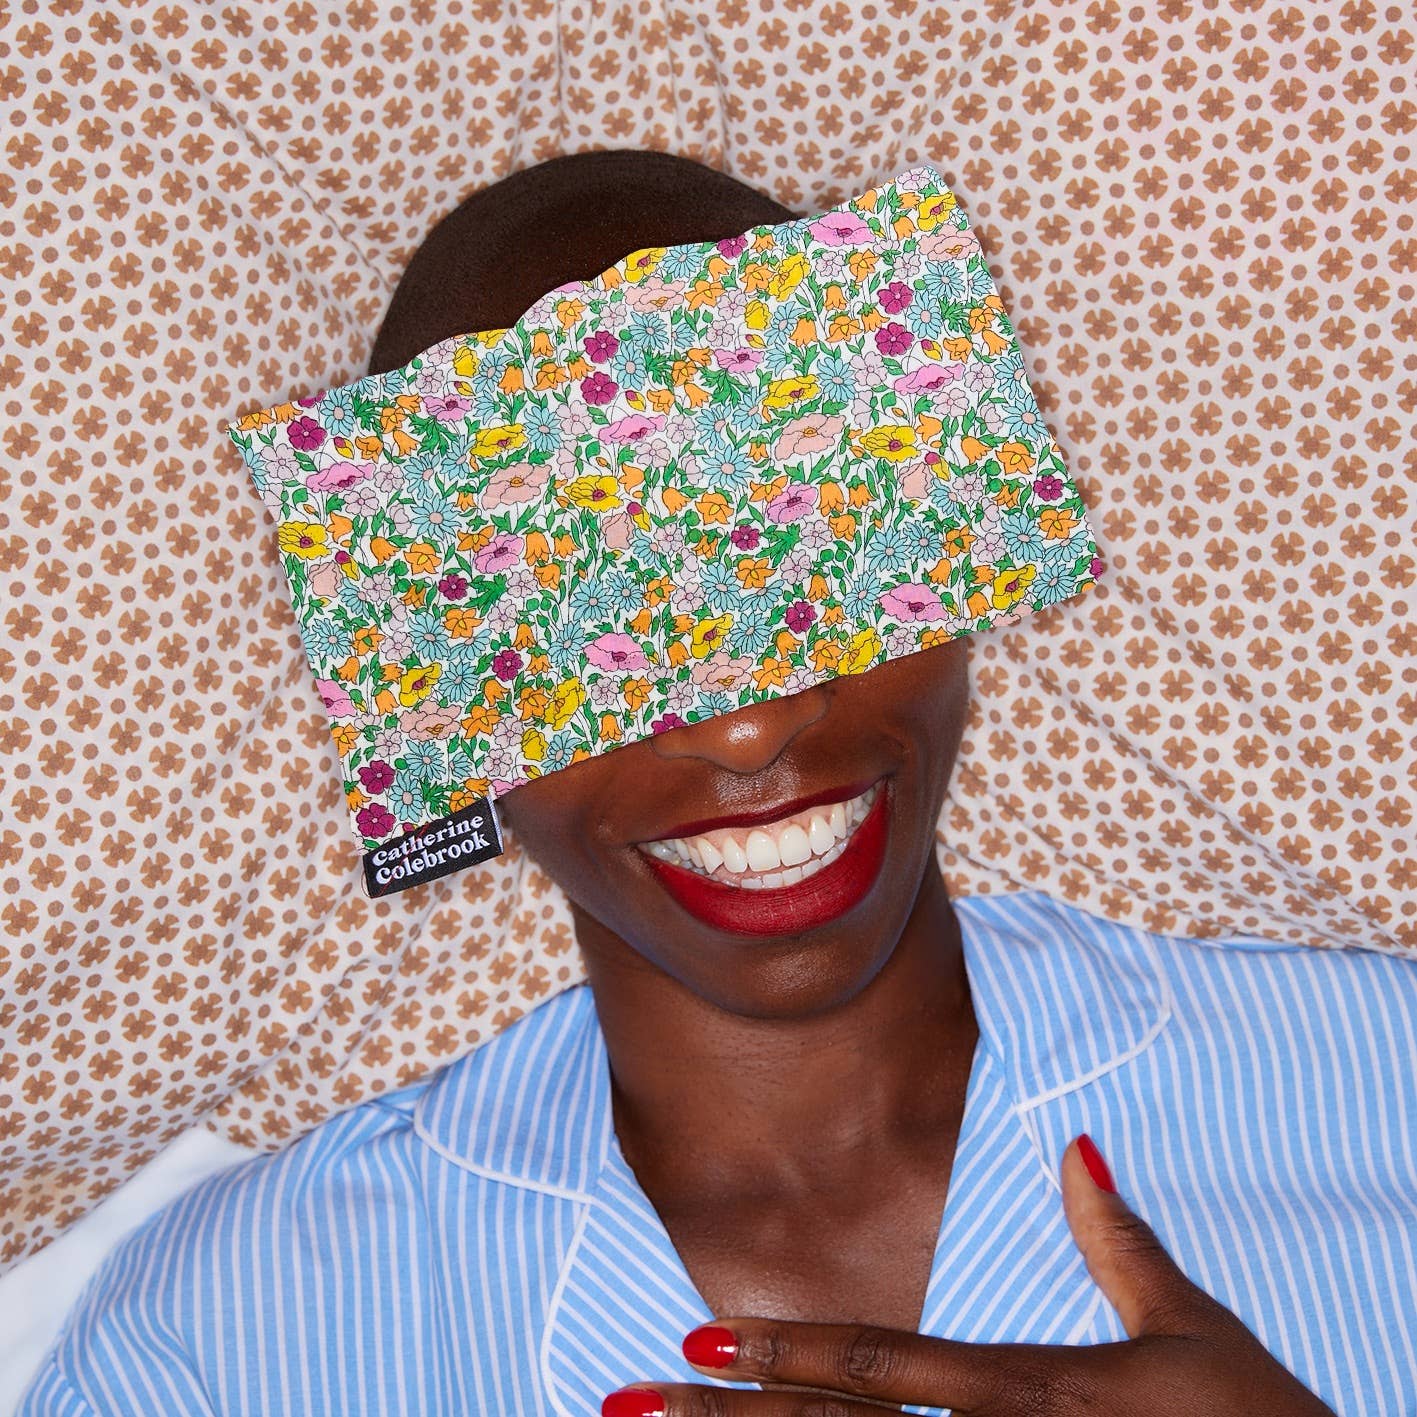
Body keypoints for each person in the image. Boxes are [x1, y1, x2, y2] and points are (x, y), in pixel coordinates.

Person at [20, 151, 1417, 1417]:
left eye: (815, 546)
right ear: (430, 692)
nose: (748, 725)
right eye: (583, 612)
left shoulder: (1386, 1095)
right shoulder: (215, 1347)